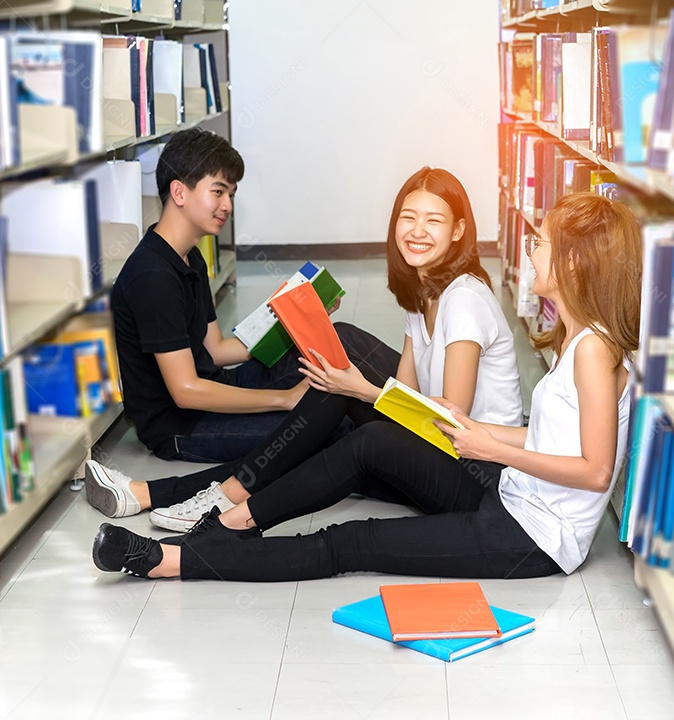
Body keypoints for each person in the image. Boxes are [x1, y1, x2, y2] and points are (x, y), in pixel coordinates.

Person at [90, 191, 641, 582]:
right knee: (366, 441)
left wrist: (491, 447)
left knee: (352, 542)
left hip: (533, 538)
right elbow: (549, 437)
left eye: (541, 243)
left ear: (574, 262)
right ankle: (226, 524)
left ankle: (172, 558)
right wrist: (481, 431)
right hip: (508, 494)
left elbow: (596, 471)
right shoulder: (575, 340)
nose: (530, 249)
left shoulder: (592, 350)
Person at [86, 167, 524, 531]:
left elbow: (452, 424)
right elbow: (406, 397)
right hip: (444, 453)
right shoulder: (422, 292)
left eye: (434, 221)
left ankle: (209, 499)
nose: (418, 231)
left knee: (334, 406)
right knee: (333, 393)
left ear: (459, 230)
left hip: (479, 471)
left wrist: (359, 390)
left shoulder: (463, 301)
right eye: (408, 218)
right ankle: (211, 497)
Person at [110, 127, 397, 464]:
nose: (227, 206)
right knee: (332, 421)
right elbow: (186, 391)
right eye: (218, 192)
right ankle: (419, 450)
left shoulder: (189, 257)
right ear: (179, 191)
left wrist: (301, 318)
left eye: (231, 194)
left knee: (343, 339)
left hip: (217, 385)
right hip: (182, 426)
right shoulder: (152, 276)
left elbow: (216, 350)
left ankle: (423, 403)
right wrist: (285, 399)